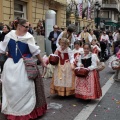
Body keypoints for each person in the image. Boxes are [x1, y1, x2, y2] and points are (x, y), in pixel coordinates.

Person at [0, 18, 47, 120]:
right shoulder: (9, 36)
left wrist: (42, 62)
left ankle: (25, 111)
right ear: (19, 26)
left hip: (24, 65)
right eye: (26, 26)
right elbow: (2, 50)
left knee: (24, 87)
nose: (28, 28)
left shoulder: (29, 37)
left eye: (28, 26)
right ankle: (12, 111)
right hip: (10, 66)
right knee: (10, 89)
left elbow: (35, 52)